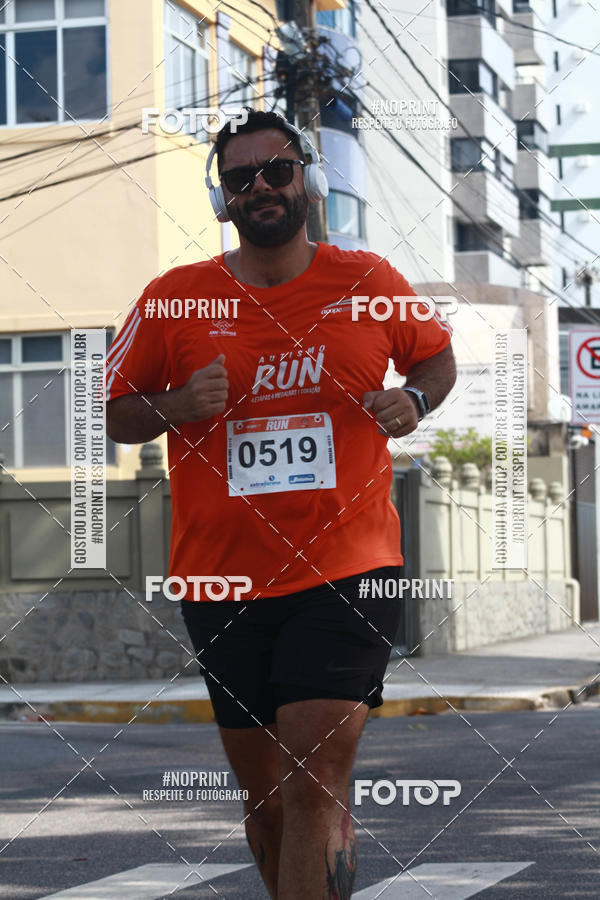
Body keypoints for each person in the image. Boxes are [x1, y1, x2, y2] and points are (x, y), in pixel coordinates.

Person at [106, 108, 456, 899]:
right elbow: (114, 413)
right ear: (222, 199)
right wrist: (177, 405)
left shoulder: (369, 283)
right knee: (267, 803)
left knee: (313, 777)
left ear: (308, 179)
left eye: (278, 170)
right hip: (224, 582)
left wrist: (415, 403)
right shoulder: (173, 300)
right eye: (240, 178)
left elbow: (436, 359)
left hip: (351, 565)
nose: (261, 186)